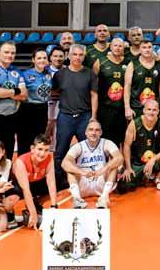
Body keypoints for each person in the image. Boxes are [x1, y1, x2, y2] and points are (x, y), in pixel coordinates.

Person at [52, 44, 99, 187]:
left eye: (80, 55)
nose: (77, 57)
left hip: (84, 117)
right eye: (75, 54)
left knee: (88, 150)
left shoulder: (90, 73)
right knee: (61, 151)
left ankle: (89, 180)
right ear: (69, 56)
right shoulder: (59, 74)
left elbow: (94, 96)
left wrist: (93, 117)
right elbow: (54, 92)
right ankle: (59, 181)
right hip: (65, 117)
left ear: (84, 57)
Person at [61, 120, 124, 209]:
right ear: (86, 132)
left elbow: (119, 158)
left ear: (101, 133)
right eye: (91, 130)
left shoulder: (106, 143)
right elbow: (64, 163)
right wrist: (82, 172)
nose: (93, 133)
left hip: (100, 181)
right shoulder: (79, 146)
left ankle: (104, 197)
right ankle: (77, 199)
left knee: (114, 165)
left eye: (97, 130)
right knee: (70, 169)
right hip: (83, 182)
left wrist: (103, 169)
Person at [120, 99, 160, 193]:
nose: (151, 112)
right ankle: (146, 177)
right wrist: (128, 168)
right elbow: (126, 146)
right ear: (144, 110)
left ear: (158, 111)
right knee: (123, 186)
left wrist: (153, 160)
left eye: (154, 110)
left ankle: (157, 176)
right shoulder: (134, 124)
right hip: (138, 162)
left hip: (155, 161)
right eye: (149, 109)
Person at [9, 134, 58, 230]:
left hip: (34, 182)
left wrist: (54, 206)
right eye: (40, 149)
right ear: (32, 149)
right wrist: (33, 214)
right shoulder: (21, 162)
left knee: (60, 186)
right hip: (18, 186)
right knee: (12, 199)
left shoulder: (49, 158)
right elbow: (25, 189)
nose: (43, 153)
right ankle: (9, 214)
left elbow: (51, 181)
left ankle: (35, 203)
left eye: (46, 150)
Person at [17, 49, 52, 158]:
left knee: (39, 140)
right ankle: (22, 163)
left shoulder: (49, 75)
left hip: (43, 109)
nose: (42, 60)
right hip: (28, 109)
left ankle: (36, 163)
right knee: (25, 140)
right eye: (39, 58)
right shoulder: (25, 74)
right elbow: (20, 93)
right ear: (33, 60)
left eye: (44, 58)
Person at [93, 37, 128, 146]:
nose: (117, 48)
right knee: (104, 138)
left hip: (121, 108)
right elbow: (93, 85)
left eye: (120, 46)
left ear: (124, 48)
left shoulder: (128, 63)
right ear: (110, 47)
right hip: (105, 107)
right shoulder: (100, 61)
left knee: (120, 139)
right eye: (115, 45)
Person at [124, 40, 160, 121]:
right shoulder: (132, 64)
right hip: (136, 107)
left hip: (154, 108)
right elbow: (127, 87)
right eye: (144, 47)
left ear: (153, 49)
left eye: (149, 47)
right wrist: (127, 108)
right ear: (140, 49)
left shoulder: (159, 65)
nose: (147, 50)